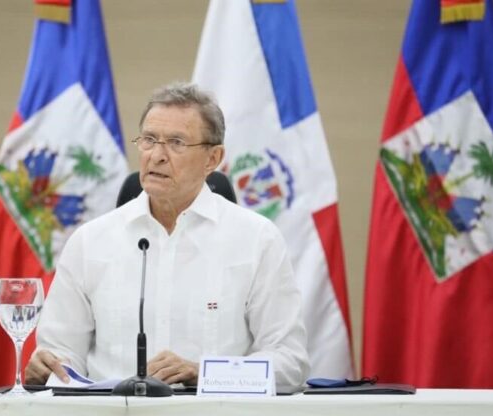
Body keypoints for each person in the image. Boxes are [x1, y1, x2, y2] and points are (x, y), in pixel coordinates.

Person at [24, 82, 310, 393]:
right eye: (149, 140)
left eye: (176, 143)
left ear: (212, 159)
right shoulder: (89, 242)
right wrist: (49, 366)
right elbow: (62, 353)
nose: (157, 156)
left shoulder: (257, 240)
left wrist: (205, 374)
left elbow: (290, 363)